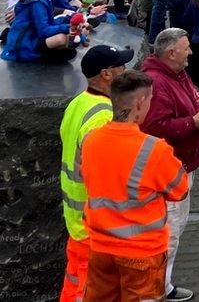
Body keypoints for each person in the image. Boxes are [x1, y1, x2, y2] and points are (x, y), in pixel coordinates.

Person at [80, 69, 190, 301]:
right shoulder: (154, 149)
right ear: (140, 103)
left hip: (100, 247)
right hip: (142, 253)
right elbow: (180, 190)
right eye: (150, 100)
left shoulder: (91, 140)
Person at [141, 28, 199, 302]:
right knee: (170, 231)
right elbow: (154, 127)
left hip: (184, 165)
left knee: (177, 225)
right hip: (170, 169)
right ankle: (160, 288)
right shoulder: (157, 82)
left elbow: (194, 94)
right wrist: (193, 123)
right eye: (186, 48)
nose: (191, 52)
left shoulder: (176, 73)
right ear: (171, 52)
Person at [58, 44, 132, 302]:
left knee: (74, 282)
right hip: (94, 224)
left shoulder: (79, 102)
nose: (126, 71)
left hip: (76, 218)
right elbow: (104, 174)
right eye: (121, 66)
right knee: (90, 290)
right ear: (107, 74)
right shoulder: (103, 116)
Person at [1, 0, 80, 63]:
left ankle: (50, 52)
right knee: (61, 39)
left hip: (30, 38)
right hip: (23, 47)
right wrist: (67, 27)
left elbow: (49, 22)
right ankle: (43, 55)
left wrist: (69, 20)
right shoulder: (37, 2)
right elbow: (44, 31)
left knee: (65, 39)